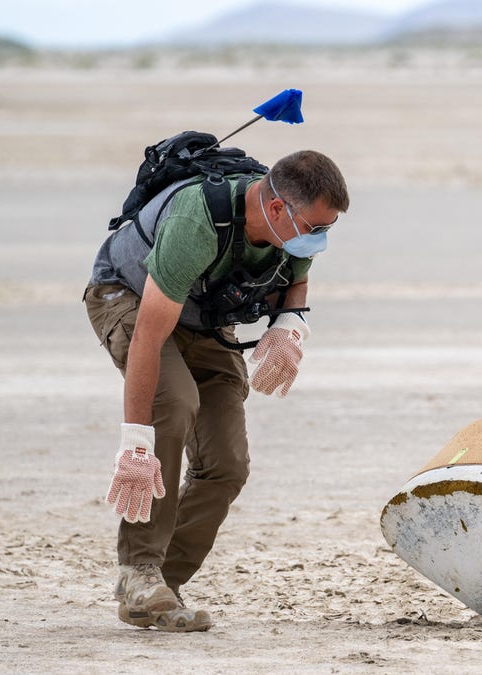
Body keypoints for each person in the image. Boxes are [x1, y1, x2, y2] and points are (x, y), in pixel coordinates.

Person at [84, 149, 349, 632]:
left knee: (227, 463)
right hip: (132, 298)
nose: (320, 239)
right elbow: (148, 336)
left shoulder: (291, 227)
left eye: (328, 228)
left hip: (202, 316)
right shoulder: (197, 223)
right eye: (316, 227)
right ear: (276, 208)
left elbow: (296, 279)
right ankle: (139, 571)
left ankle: (160, 587)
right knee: (174, 403)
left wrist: (290, 326)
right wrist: (136, 443)